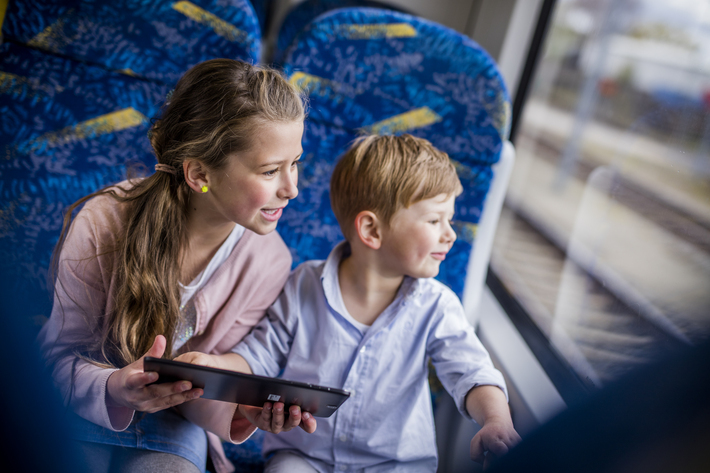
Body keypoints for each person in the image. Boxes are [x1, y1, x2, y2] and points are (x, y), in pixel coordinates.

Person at [177, 134, 521, 472]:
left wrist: (495, 419)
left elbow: (471, 372)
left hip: (394, 464)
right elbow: (258, 355)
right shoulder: (304, 286)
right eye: (434, 220)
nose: (450, 234)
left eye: (449, 220)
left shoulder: (437, 306)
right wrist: (211, 367)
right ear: (371, 230)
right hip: (303, 456)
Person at [37, 58, 317, 473]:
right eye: (271, 170)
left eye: (295, 164)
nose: (291, 188)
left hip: (175, 426)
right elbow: (52, 362)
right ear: (200, 173)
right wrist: (116, 387)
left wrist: (243, 408)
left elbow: (207, 388)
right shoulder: (103, 223)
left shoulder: (269, 259)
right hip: (82, 412)